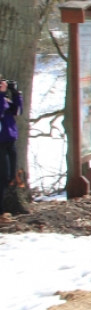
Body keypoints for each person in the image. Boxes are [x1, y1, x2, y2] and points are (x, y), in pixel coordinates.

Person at [0, 76, 23, 216]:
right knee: (2, 176)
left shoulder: (4, 99)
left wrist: (15, 93)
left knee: (8, 177)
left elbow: (17, 111)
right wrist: (2, 94)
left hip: (10, 141)